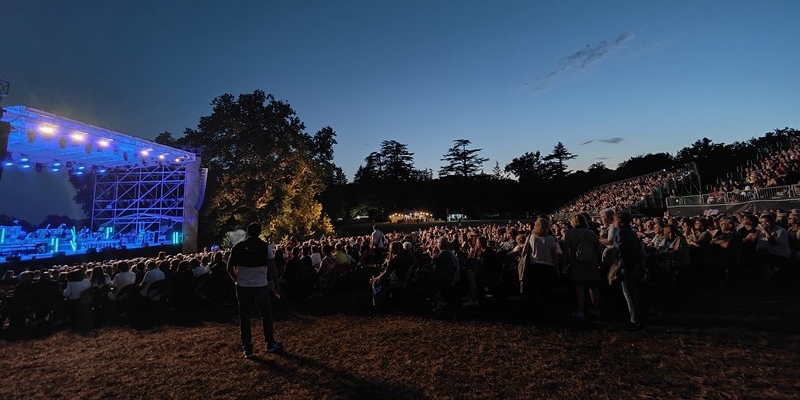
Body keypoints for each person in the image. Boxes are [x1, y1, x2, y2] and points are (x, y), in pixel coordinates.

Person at [227, 222, 282, 358]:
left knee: (244, 317)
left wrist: (237, 280)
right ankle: (270, 343)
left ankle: (248, 348)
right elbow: (272, 267)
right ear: (260, 232)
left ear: (247, 232)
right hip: (260, 285)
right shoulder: (265, 247)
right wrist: (275, 284)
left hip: (242, 286)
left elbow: (229, 267)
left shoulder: (238, 247)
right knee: (266, 315)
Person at [563, 214, 602, 318]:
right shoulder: (592, 233)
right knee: (593, 286)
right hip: (591, 261)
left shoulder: (570, 233)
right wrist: (600, 262)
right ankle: (595, 310)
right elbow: (597, 249)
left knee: (579, 287)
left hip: (576, 262)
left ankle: (580, 310)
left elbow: (566, 250)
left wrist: (564, 263)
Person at [614, 211, 645, 330]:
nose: (614, 222)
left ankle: (634, 320)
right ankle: (637, 317)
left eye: (615, 220)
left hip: (626, 265)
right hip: (632, 264)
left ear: (620, 221)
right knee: (632, 293)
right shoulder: (631, 232)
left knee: (629, 294)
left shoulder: (621, 233)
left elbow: (619, 250)